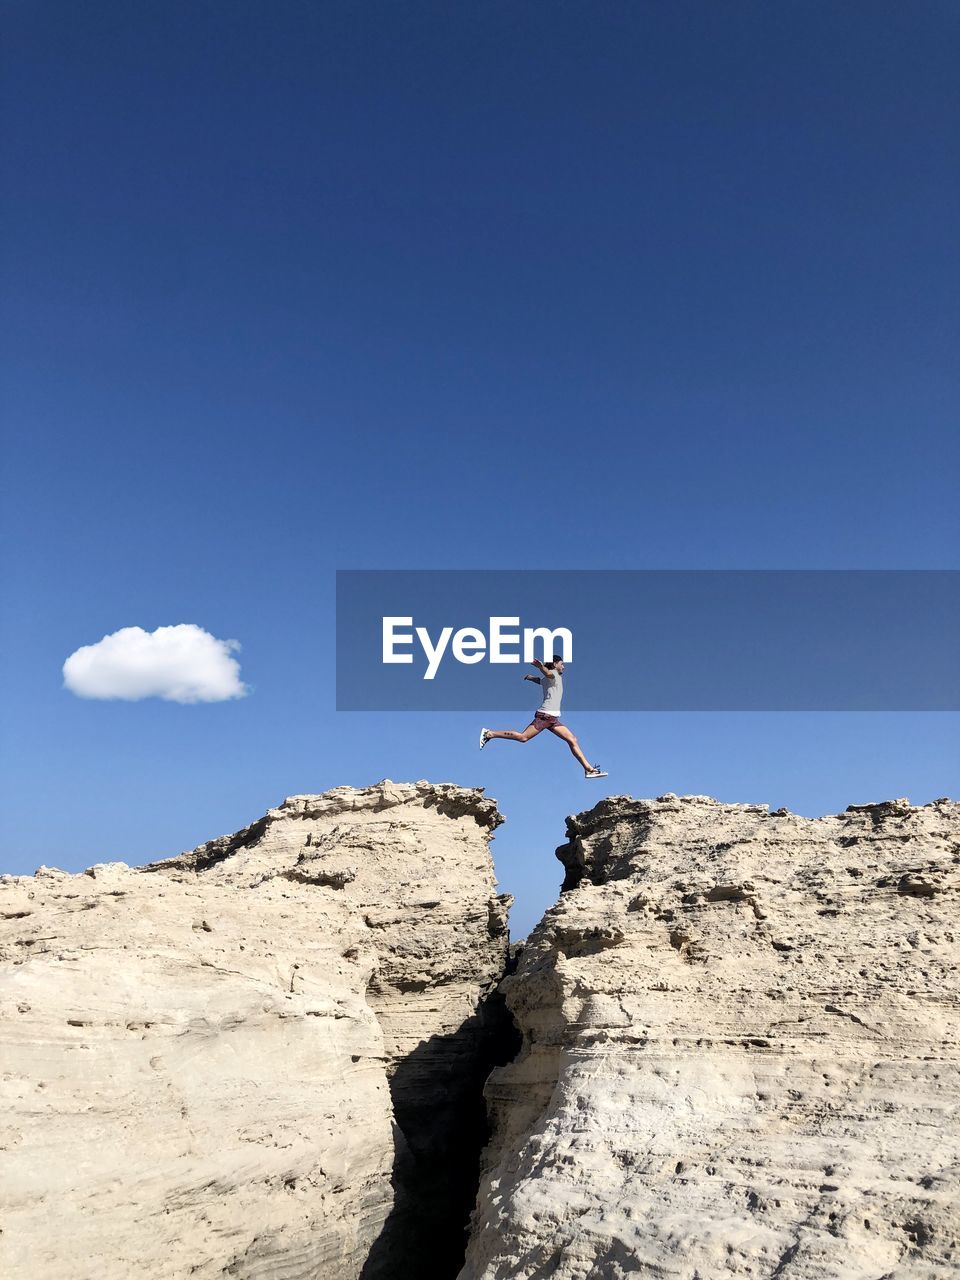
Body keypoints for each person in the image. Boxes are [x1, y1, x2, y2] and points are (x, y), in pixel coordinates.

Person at [479, 655, 607, 778]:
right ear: (555, 664)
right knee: (523, 737)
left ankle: (589, 769)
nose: (564, 667)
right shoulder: (553, 674)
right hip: (545, 716)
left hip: (552, 719)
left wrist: (531, 677)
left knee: (572, 739)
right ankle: (490, 734)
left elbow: (541, 680)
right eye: (562, 664)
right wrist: (540, 667)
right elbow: (548, 673)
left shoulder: (548, 679)